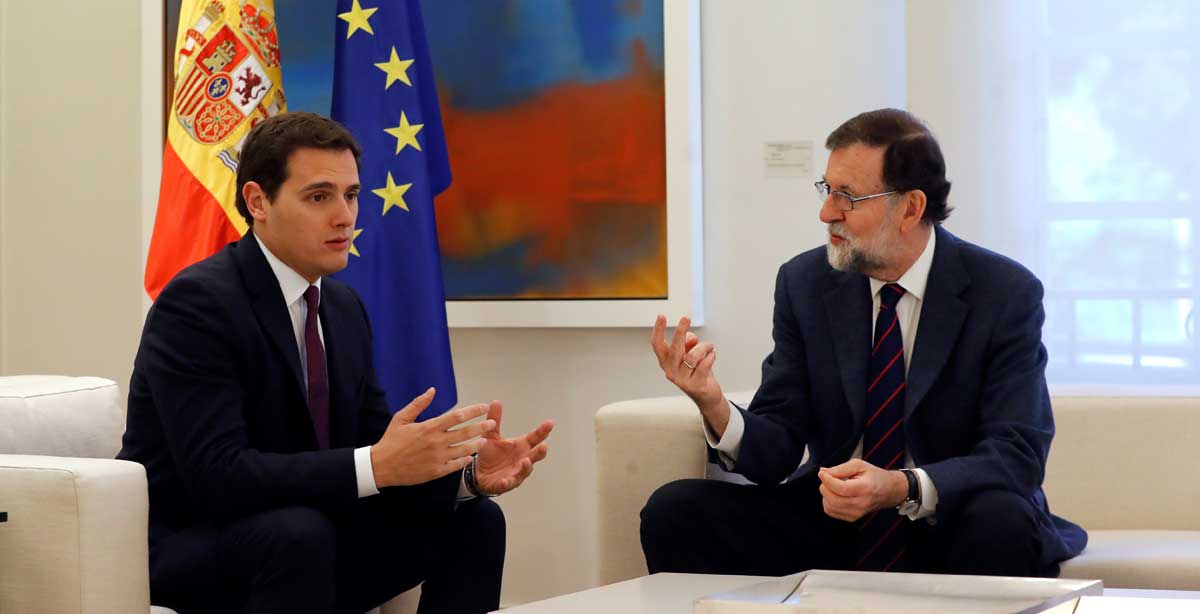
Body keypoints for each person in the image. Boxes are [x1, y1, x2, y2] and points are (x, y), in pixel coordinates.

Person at [119, 112, 553, 614]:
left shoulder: (344, 308)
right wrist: (377, 464)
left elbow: (374, 447)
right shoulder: (197, 304)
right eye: (319, 196)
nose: (345, 216)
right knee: (299, 534)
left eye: (350, 195)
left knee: (474, 520)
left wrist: (465, 477)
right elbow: (217, 475)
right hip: (191, 541)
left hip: (304, 535)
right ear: (258, 201)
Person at [642, 108, 1086, 578]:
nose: (826, 212)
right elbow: (779, 445)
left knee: (1001, 522)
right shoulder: (805, 283)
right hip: (835, 519)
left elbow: (1017, 452)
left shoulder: (1003, 292)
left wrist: (901, 486)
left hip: (948, 517)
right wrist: (714, 405)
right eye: (827, 189)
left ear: (911, 208)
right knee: (676, 510)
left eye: (848, 197)